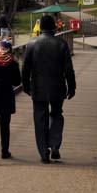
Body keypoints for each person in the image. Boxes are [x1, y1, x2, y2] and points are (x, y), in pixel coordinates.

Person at [22, 14, 76, 164]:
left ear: (41, 28)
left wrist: (25, 85)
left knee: (40, 118)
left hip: (38, 87)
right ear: (54, 27)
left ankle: (43, 151)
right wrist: (71, 86)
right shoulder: (62, 44)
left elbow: (25, 68)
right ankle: (54, 144)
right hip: (58, 85)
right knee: (57, 114)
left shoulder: (32, 44)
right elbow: (68, 69)